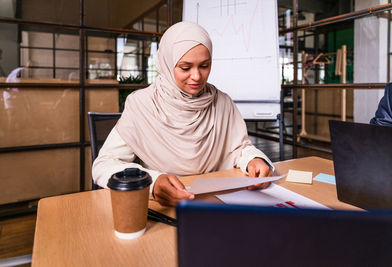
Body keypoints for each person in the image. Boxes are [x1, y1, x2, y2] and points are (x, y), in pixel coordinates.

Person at [92, 21, 274, 206]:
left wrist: (254, 159)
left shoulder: (222, 102)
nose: (196, 76)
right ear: (167, 64)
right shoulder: (142, 104)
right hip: (165, 207)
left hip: (218, 202)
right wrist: (152, 183)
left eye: (204, 65)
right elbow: (103, 165)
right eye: (185, 68)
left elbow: (240, 149)